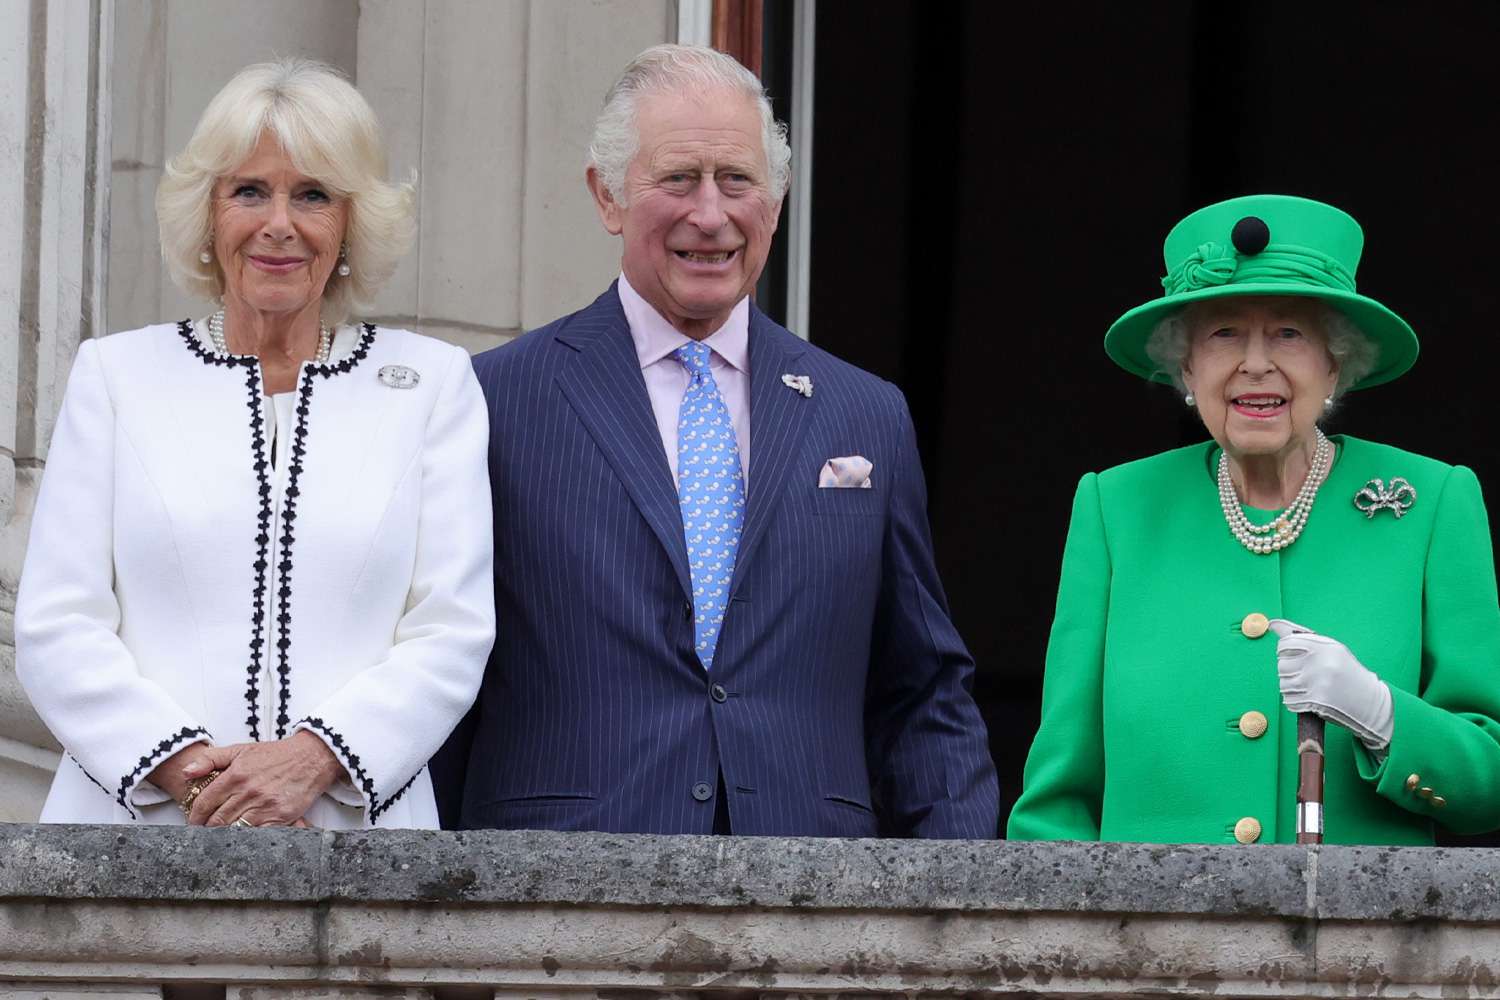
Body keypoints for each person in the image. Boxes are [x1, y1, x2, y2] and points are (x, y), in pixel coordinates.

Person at [434, 44, 998, 837]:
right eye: (677, 179)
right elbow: (440, 664)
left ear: (775, 199)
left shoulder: (865, 413)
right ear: (607, 196)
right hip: (557, 893)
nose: (711, 213)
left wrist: (959, 901)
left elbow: (921, 690)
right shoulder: (492, 398)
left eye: (737, 180)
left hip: (809, 891)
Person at [15, 59, 494, 829]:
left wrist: (309, 762)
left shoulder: (434, 385)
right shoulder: (117, 376)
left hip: (354, 835)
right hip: (133, 834)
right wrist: (199, 783)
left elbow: (452, 629)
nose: (280, 223)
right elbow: (55, 624)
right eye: (249, 191)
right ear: (208, 217)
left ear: (350, 223)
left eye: (312, 194)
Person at [1007, 193, 1500, 845]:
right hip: (1146, 940)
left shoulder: (1432, 501)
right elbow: (1056, 804)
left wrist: (1381, 716)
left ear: (1336, 364)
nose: (1256, 362)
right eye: (1224, 332)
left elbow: (1489, 785)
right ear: (1186, 367)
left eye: (1290, 332)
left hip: (1360, 938)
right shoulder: (1115, 508)